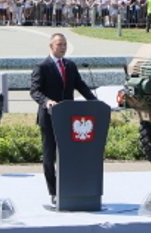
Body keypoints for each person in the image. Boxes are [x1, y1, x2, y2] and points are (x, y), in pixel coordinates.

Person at [29, 32, 96, 205]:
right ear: (51, 46)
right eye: (59, 44)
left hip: (68, 117)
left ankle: (68, 188)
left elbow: (80, 85)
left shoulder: (70, 66)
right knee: (49, 155)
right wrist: (47, 101)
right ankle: (53, 191)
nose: (63, 47)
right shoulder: (42, 66)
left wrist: (95, 103)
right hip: (49, 117)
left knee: (67, 155)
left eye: (65, 44)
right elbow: (35, 91)